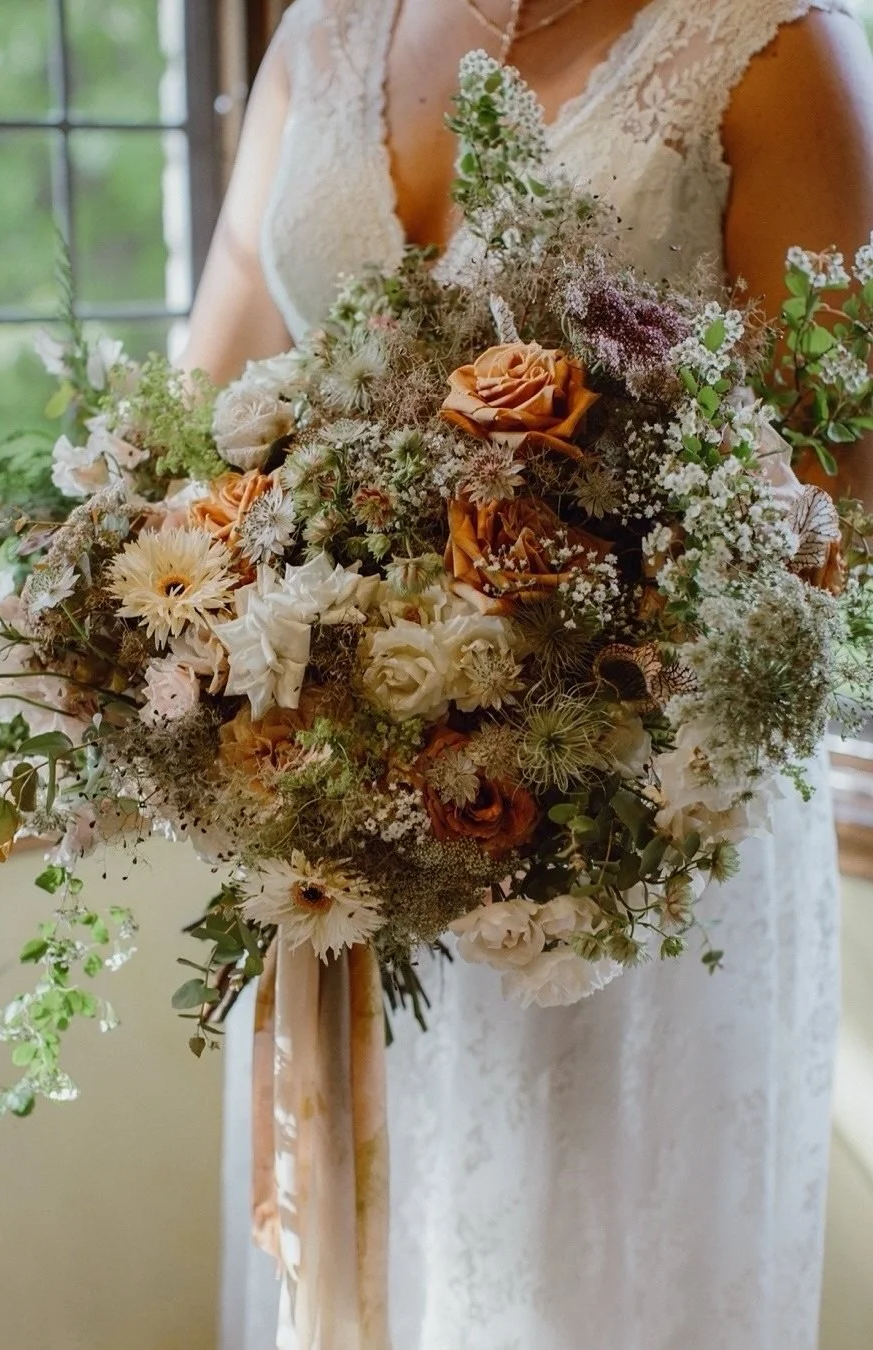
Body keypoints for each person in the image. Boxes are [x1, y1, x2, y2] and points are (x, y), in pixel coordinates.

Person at [179, 1, 873, 1346]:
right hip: (342, 824)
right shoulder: (325, 34)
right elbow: (218, 389)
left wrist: (574, 620)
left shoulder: (774, 46)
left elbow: (843, 483)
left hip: (631, 832)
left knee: (582, 1285)